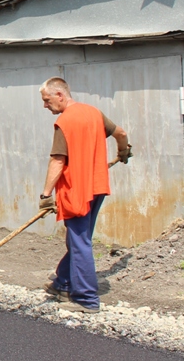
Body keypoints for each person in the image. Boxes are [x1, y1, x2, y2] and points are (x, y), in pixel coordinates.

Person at [38, 77, 131, 313]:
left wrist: (46, 194)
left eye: (47, 100)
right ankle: (63, 282)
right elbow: (121, 133)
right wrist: (124, 151)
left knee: (80, 242)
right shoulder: (94, 113)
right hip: (97, 186)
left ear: (60, 95)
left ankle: (86, 299)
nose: (45, 105)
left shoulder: (65, 122)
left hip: (76, 190)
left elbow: (58, 161)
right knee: (79, 238)